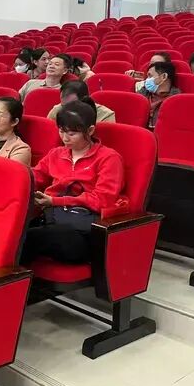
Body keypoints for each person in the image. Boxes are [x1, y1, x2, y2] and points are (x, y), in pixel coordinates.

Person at [20, 101, 125, 265]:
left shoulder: (108, 158)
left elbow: (102, 200)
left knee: (27, 239)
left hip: (83, 231)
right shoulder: (56, 154)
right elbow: (34, 177)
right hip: (50, 218)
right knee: (10, 230)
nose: (65, 138)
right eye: (61, 131)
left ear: (90, 130)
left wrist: (55, 201)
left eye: (72, 133)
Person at [47, 81, 115, 123]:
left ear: (85, 100)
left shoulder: (106, 115)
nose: (67, 109)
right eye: (64, 106)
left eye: (72, 105)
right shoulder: (57, 110)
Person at [139, 61, 180, 128]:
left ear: (163, 77)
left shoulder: (178, 101)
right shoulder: (142, 94)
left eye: (150, 76)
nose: (146, 80)